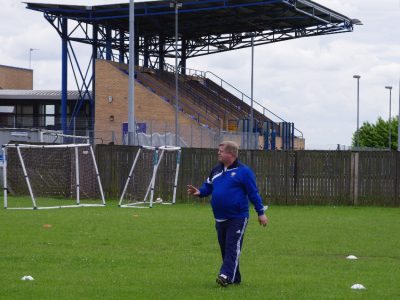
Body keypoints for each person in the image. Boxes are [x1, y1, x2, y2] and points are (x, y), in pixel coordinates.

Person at [187, 141, 268, 287]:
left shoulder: (244, 172)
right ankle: (234, 277)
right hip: (219, 217)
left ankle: (224, 275)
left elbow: (253, 193)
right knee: (225, 247)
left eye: (221, 151)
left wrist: (260, 213)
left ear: (231, 154)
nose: (218, 153)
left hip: (238, 216)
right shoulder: (216, 170)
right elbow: (208, 186)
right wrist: (200, 192)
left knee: (232, 246)